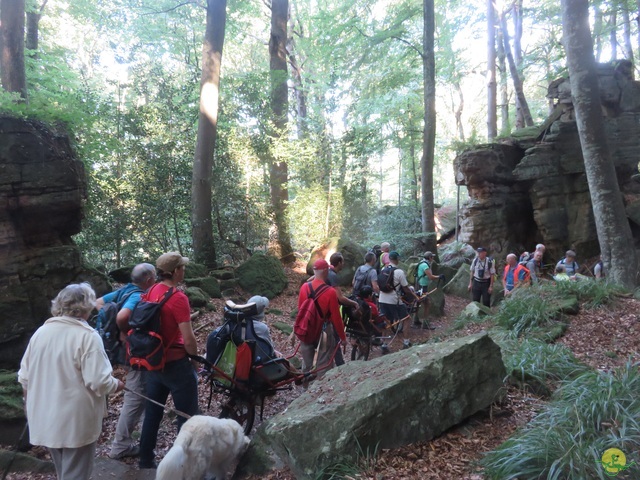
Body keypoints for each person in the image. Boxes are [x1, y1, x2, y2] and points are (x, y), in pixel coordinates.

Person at [18, 283, 125, 480]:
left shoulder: (41, 333)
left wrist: (28, 407)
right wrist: (116, 385)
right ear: (86, 306)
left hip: (44, 414)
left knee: (64, 472)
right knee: (75, 474)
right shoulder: (87, 336)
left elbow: (24, 377)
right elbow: (99, 381)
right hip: (75, 420)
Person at [139, 252, 199, 470]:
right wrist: (194, 360)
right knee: (188, 417)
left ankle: (145, 461)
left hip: (154, 362)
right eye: (182, 267)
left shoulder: (152, 290)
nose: (184, 270)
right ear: (174, 272)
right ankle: (186, 466)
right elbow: (189, 338)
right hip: (176, 364)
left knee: (152, 414)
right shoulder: (177, 297)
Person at [95, 263, 156, 460]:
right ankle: (120, 446)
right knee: (135, 396)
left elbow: (97, 303)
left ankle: (143, 438)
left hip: (127, 351)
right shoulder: (138, 295)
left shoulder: (125, 291)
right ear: (148, 280)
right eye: (154, 277)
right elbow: (123, 315)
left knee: (143, 393)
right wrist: (122, 330)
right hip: (134, 353)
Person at [297, 259, 347, 374]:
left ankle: (306, 385)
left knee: (307, 362)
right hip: (323, 331)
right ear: (325, 271)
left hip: (306, 328)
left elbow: (301, 310)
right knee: (324, 362)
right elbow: (336, 317)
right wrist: (342, 337)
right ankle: (322, 386)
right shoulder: (330, 292)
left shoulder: (304, 287)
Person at [378, 251, 419, 349]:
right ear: (397, 259)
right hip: (394, 300)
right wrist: (414, 295)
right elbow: (405, 288)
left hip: (382, 299)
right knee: (406, 319)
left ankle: (384, 344)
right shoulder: (399, 272)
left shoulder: (384, 269)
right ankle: (406, 342)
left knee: (386, 321)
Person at [327, 252, 358, 366]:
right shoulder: (332, 275)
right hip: (329, 311)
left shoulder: (326, 271)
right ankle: (340, 364)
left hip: (321, 309)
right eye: (343, 262)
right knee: (336, 337)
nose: (344, 264)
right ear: (339, 263)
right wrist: (353, 303)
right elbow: (340, 297)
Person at [413, 251, 444, 329]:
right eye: (432, 257)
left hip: (419, 285)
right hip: (422, 287)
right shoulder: (425, 265)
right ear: (430, 258)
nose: (433, 258)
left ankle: (415, 320)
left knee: (418, 302)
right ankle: (425, 324)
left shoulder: (422, 263)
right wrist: (439, 276)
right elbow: (431, 277)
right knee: (427, 304)